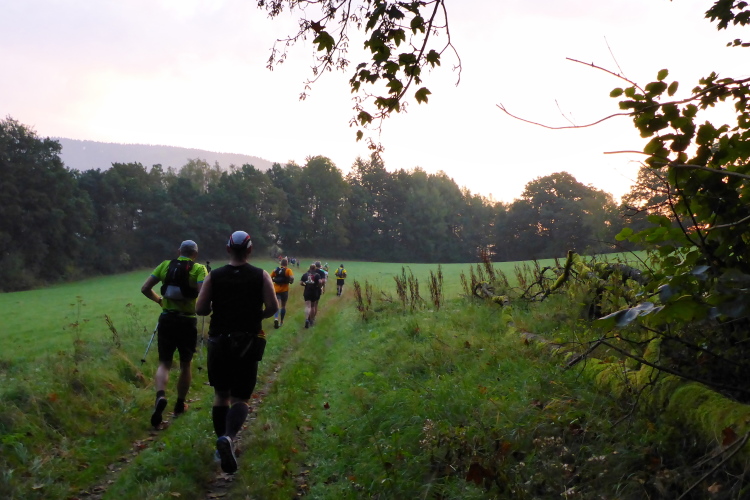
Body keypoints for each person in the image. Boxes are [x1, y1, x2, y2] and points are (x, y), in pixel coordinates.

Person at [196, 230, 278, 474]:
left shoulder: (214, 276)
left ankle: (220, 444)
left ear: (228, 249)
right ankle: (229, 438)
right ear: (250, 250)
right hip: (247, 342)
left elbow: (201, 309)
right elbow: (273, 307)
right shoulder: (261, 275)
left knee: (221, 395)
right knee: (241, 398)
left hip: (219, 341)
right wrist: (256, 315)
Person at [141, 239, 207, 428]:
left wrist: (159, 301)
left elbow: (145, 288)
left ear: (179, 251)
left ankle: (160, 396)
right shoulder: (199, 269)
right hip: (187, 321)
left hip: (167, 319)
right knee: (186, 364)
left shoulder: (165, 265)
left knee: (164, 363)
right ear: (195, 254)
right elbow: (203, 294)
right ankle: (179, 404)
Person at [271, 258, 294, 328]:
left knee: (277, 305)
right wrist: (290, 281)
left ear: (281, 263)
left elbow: (270, 277)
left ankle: (276, 318)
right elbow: (292, 278)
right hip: (284, 290)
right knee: (283, 306)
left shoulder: (276, 270)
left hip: (276, 290)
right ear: (287, 263)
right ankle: (281, 321)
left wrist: (274, 280)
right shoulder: (288, 270)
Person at [300, 264, 322, 328]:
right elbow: (320, 282)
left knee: (307, 306)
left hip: (307, 291)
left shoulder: (305, 274)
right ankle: (311, 320)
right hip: (314, 292)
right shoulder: (317, 275)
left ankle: (307, 319)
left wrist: (305, 284)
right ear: (315, 268)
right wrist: (319, 286)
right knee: (312, 306)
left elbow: (301, 283)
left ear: (309, 268)